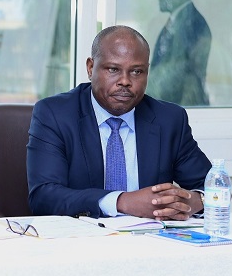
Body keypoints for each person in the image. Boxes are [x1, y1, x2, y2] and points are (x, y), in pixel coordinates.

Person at [27, 25, 211, 220]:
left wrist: (196, 201)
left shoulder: (169, 119)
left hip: (151, 242)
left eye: (137, 72)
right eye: (113, 69)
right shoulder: (55, 114)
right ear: (90, 68)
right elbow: (44, 197)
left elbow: (214, 186)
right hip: (81, 243)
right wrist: (121, 202)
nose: (125, 81)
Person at [149, 0, 212, 106]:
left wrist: (148, 90)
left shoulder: (192, 24)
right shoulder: (178, 21)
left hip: (182, 106)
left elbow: (180, 69)